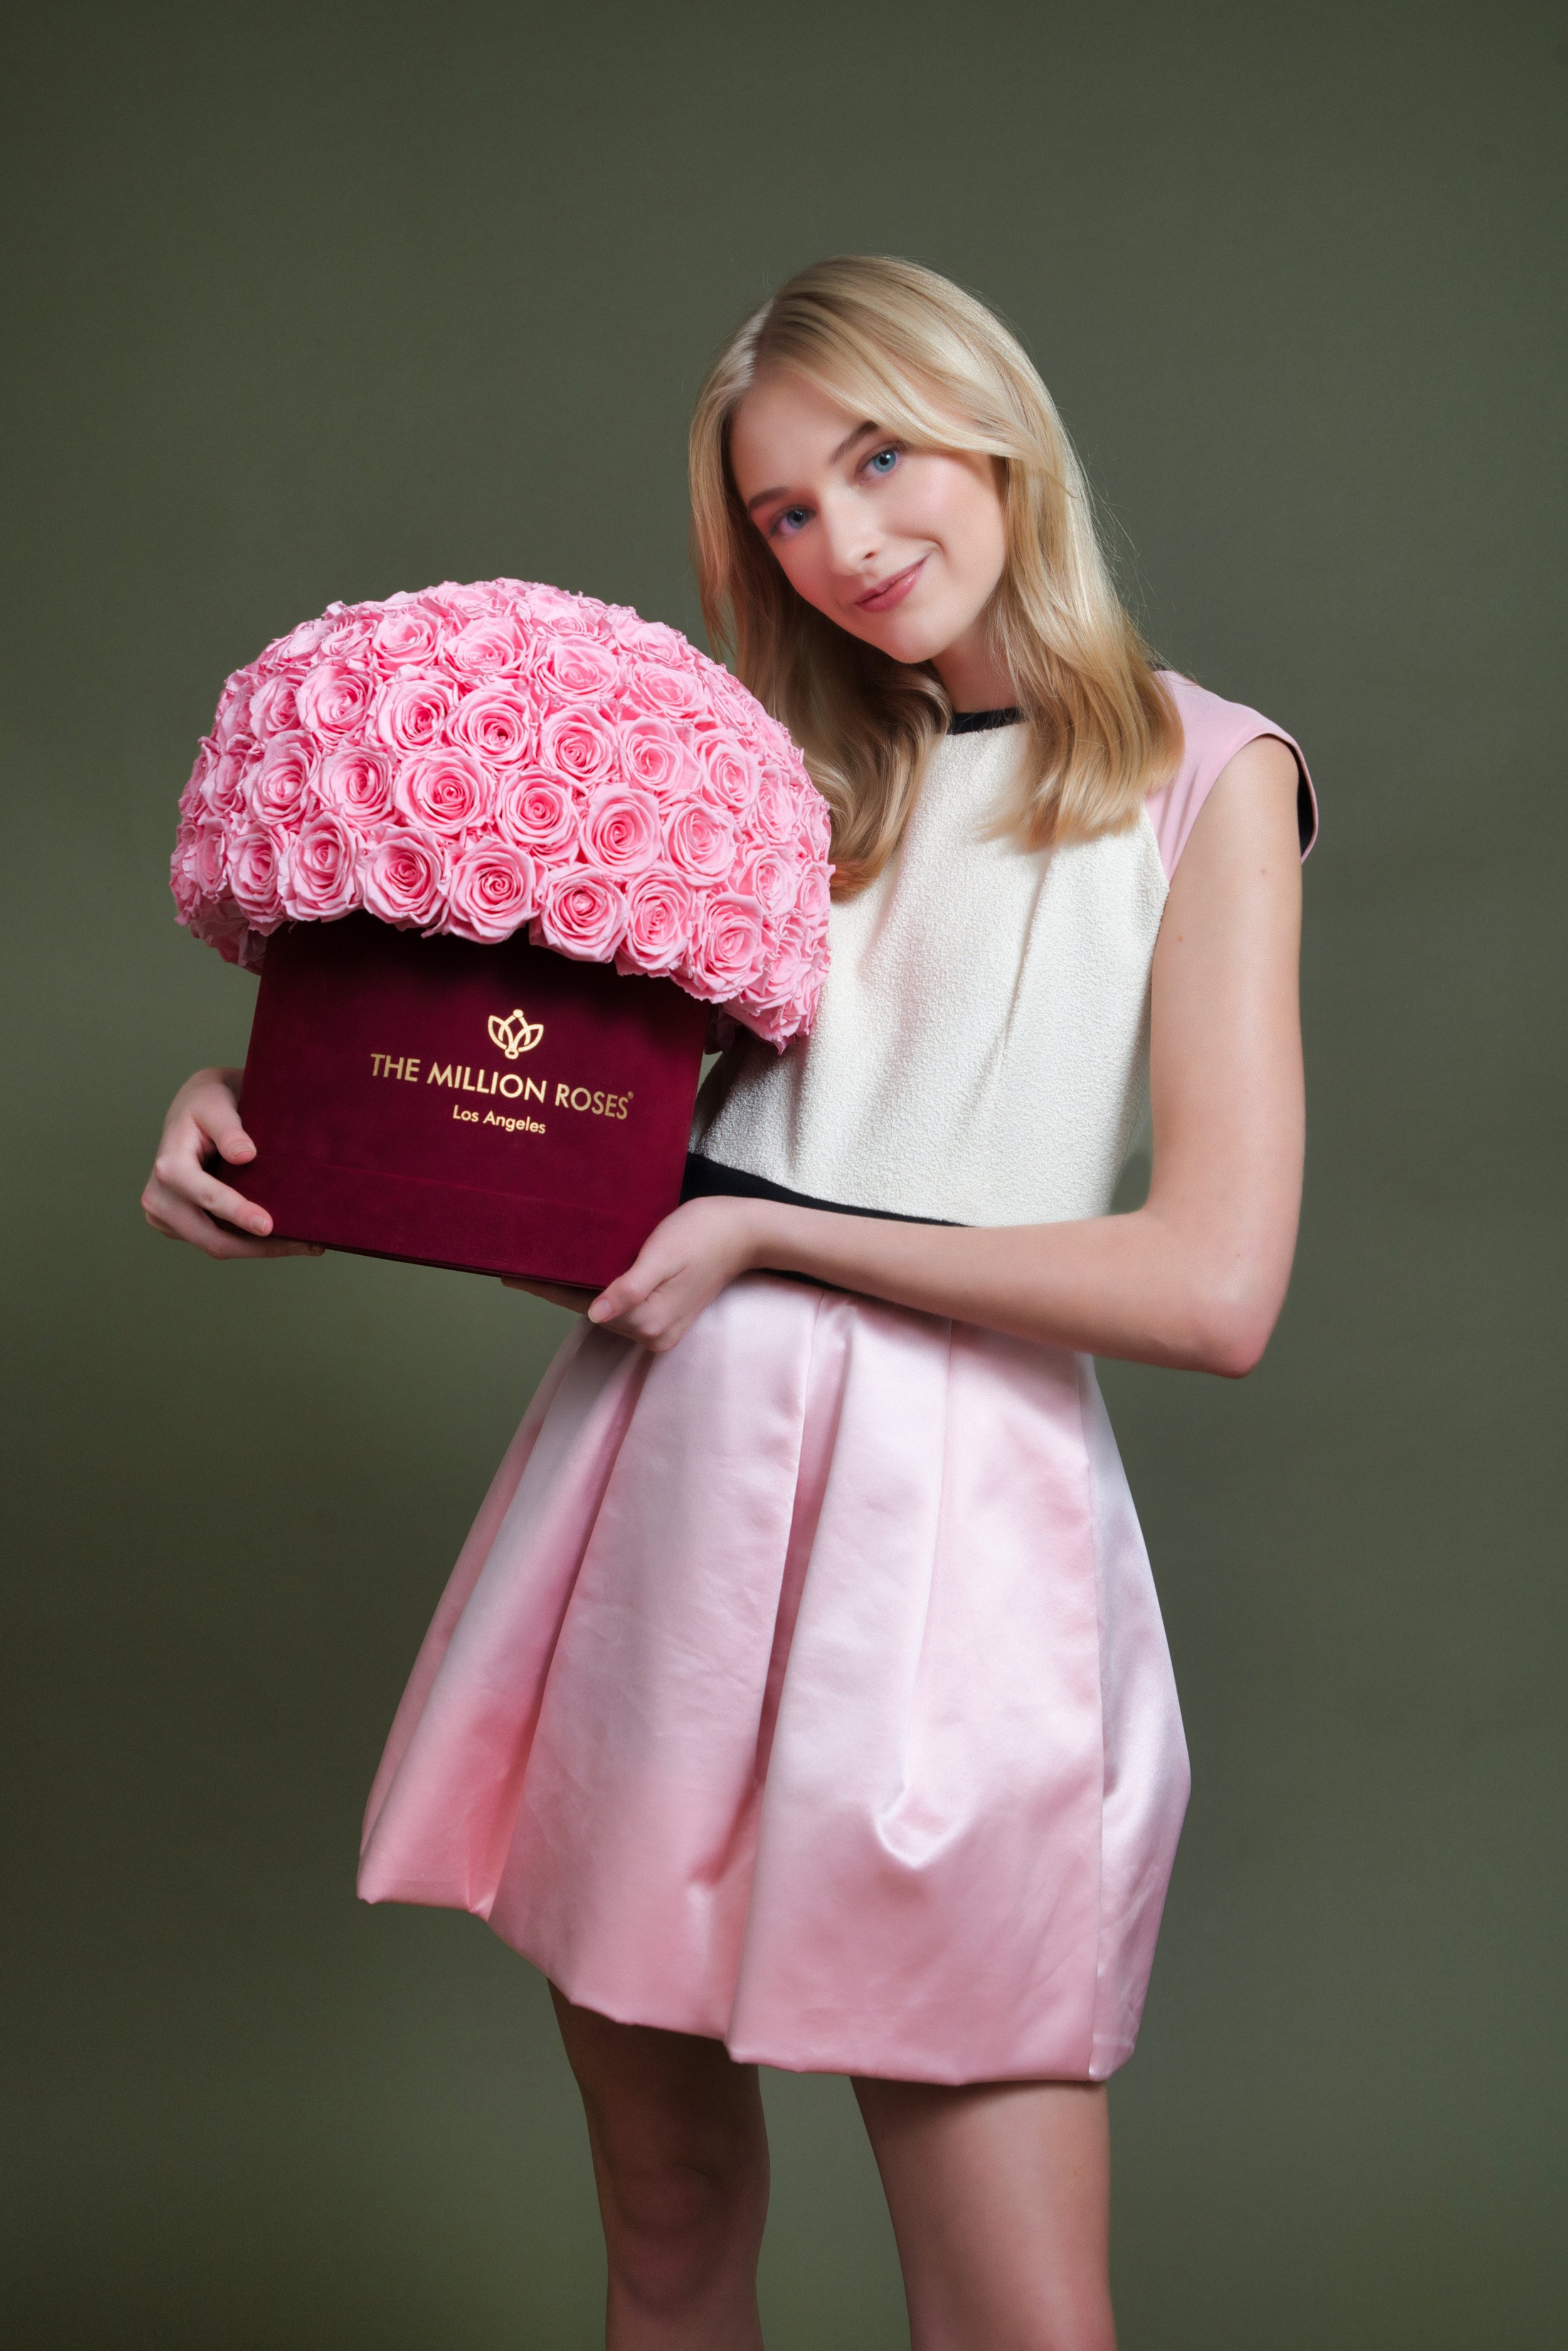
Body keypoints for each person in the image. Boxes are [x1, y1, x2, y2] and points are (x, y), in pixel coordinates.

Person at [143, 257, 1313, 2351]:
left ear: (994, 426)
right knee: (670, 2230)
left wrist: (776, 1233)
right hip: (660, 1505)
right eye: (782, 512)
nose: (846, 545)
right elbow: (594, 1203)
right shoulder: (758, 783)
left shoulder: (1205, 780)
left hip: (960, 1560)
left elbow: (1212, 1283)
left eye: (878, 459)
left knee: (1019, 2316)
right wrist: (292, 1147)